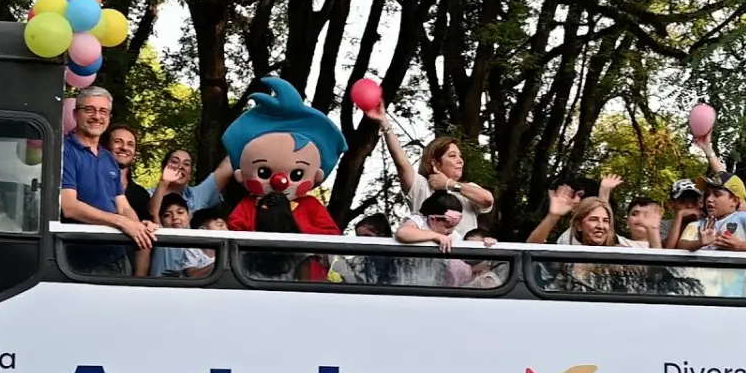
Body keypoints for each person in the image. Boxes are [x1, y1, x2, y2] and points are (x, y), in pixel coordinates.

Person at [223, 77, 344, 235]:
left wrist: (289, 225)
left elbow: (331, 237)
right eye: (264, 173)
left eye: (296, 174)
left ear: (317, 175)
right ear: (240, 175)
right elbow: (234, 234)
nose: (280, 181)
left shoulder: (310, 205)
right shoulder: (248, 206)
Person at [60, 87, 158, 274]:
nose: (97, 116)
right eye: (89, 109)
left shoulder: (108, 158)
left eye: (103, 111)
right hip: (79, 264)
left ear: (109, 117)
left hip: (116, 259)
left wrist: (137, 225)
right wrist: (122, 223)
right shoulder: (65, 151)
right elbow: (69, 206)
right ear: (75, 114)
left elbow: (124, 207)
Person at [369, 102, 493, 235]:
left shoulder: (469, 189)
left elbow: (487, 199)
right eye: (452, 156)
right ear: (435, 163)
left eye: (460, 156)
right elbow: (401, 162)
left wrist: (449, 184)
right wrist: (384, 122)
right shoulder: (421, 187)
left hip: (463, 256)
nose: (460, 161)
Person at [678, 172, 746, 253]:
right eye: (708, 194)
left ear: (735, 201)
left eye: (717, 194)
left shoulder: (745, 219)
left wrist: (740, 246)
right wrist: (699, 243)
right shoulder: (699, 224)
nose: (709, 199)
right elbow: (681, 245)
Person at [146, 148, 233, 219]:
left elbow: (225, 168)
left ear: (190, 175)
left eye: (186, 164)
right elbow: (151, 215)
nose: (181, 167)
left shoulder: (196, 196)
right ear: (163, 168)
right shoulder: (147, 195)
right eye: (175, 162)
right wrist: (164, 182)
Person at [103, 125, 151, 222]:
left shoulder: (141, 194)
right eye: (118, 142)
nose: (124, 147)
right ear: (105, 147)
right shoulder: (91, 181)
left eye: (130, 144)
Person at [396, 191, 466, 252]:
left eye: (453, 227)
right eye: (447, 227)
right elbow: (402, 233)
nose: (451, 231)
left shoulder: (454, 237)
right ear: (432, 219)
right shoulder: (419, 222)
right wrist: (437, 236)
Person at [662, 178, 703, 247]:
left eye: (694, 201)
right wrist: (679, 216)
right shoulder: (663, 225)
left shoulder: (705, 223)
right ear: (671, 204)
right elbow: (668, 249)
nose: (690, 206)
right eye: (683, 202)